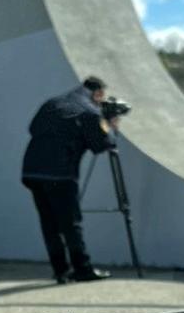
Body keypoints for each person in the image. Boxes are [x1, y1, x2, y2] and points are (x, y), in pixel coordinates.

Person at [22, 77, 118, 284]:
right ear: (98, 93)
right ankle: (82, 269)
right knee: (70, 224)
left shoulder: (52, 103)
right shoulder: (90, 111)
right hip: (60, 174)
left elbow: (32, 129)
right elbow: (101, 145)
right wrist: (110, 125)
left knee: (49, 224)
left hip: (32, 171)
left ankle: (61, 271)